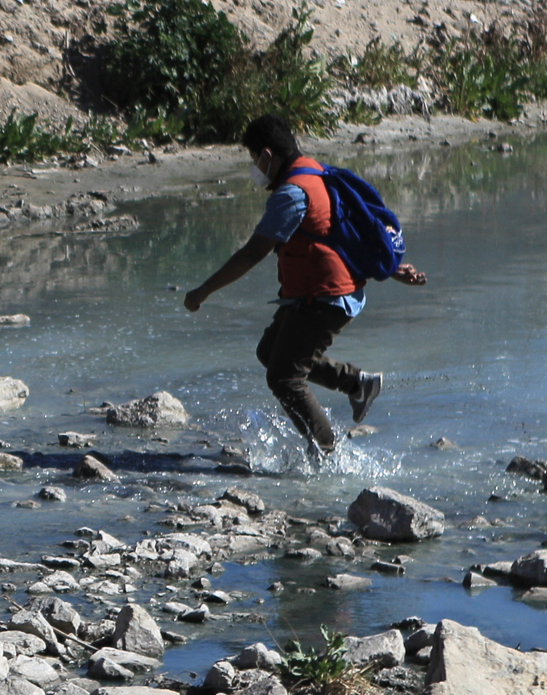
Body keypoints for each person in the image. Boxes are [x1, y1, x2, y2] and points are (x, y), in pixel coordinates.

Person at [183, 114, 427, 455]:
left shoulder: (292, 193)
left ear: (267, 156)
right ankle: (358, 384)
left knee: (283, 378)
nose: (254, 167)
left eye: (254, 160)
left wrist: (203, 291)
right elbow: (338, 235)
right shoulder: (317, 174)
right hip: (319, 294)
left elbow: (253, 252)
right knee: (270, 353)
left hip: (323, 299)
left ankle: (327, 454)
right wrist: (392, 269)